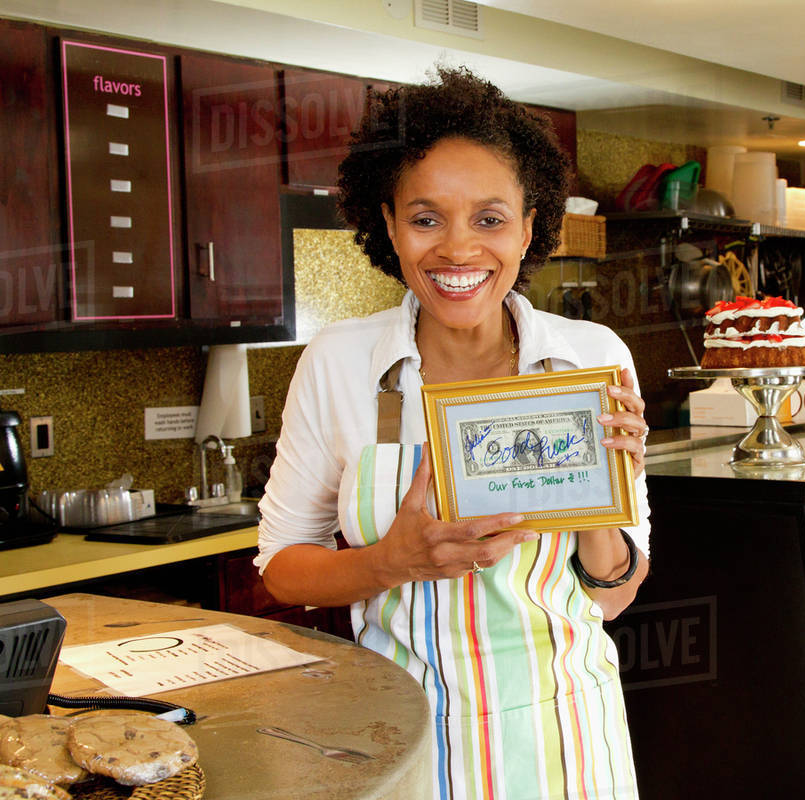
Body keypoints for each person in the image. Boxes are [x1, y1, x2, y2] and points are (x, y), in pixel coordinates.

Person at [255, 66, 651, 800]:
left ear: (531, 227)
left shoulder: (591, 359)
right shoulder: (340, 362)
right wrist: (390, 563)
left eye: (490, 219)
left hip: (565, 736)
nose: (459, 250)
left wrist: (604, 488)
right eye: (427, 217)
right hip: (399, 734)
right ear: (390, 224)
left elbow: (612, 595)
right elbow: (281, 568)